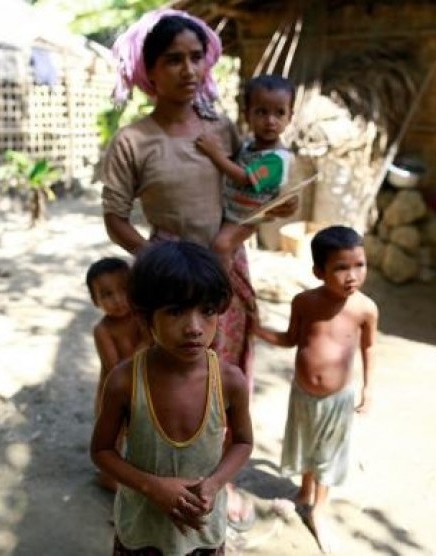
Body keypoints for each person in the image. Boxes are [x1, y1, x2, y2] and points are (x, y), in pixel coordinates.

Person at [101, 7, 297, 528]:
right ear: (149, 70)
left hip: (224, 273)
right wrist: (156, 261)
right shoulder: (134, 141)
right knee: (167, 378)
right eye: (173, 60)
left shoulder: (226, 130)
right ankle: (154, 479)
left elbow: (252, 196)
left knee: (223, 376)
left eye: (195, 58)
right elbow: (115, 218)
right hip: (165, 282)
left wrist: (238, 235)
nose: (188, 70)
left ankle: (217, 481)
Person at [91, 240, 253, 555]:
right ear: (145, 317)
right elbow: (101, 451)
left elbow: (243, 442)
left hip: (202, 529)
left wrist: (216, 482)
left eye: (207, 311)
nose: (194, 327)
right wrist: (153, 487)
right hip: (142, 528)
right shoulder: (125, 381)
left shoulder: (229, 381)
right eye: (175, 311)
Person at [253, 225, 378, 553]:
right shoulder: (304, 302)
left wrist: (369, 389)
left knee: (327, 454)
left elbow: (369, 349)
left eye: (359, 265)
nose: (352, 275)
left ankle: (319, 511)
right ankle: (304, 493)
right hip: (303, 393)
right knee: (306, 444)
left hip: (338, 399)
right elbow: (290, 339)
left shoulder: (365, 309)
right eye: (341, 267)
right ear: (318, 271)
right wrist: (258, 330)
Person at [195, 74, 295, 268]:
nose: (270, 121)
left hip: (247, 217)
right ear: (247, 114)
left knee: (221, 245)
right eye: (261, 112)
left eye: (279, 113)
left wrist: (214, 154)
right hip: (233, 211)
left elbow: (244, 178)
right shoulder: (249, 144)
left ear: (290, 117)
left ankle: (219, 287)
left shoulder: (277, 159)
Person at [86, 257, 151, 491]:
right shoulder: (102, 330)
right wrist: (146, 342)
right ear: (95, 301)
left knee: (143, 438)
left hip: (143, 391)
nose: (118, 300)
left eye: (124, 290)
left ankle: (135, 476)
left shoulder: (142, 316)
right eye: (107, 295)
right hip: (113, 396)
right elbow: (116, 369)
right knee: (112, 440)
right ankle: (109, 477)